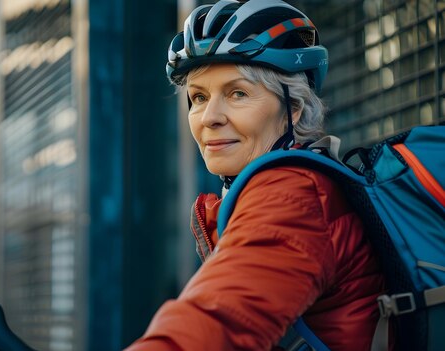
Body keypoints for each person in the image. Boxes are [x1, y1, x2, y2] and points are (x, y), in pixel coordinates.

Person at [125, 1, 388, 350]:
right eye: (199, 97)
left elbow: (216, 323)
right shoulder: (296, 182)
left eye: (237, 93)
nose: (209, 118)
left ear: (293, 107)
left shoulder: (293, 197)